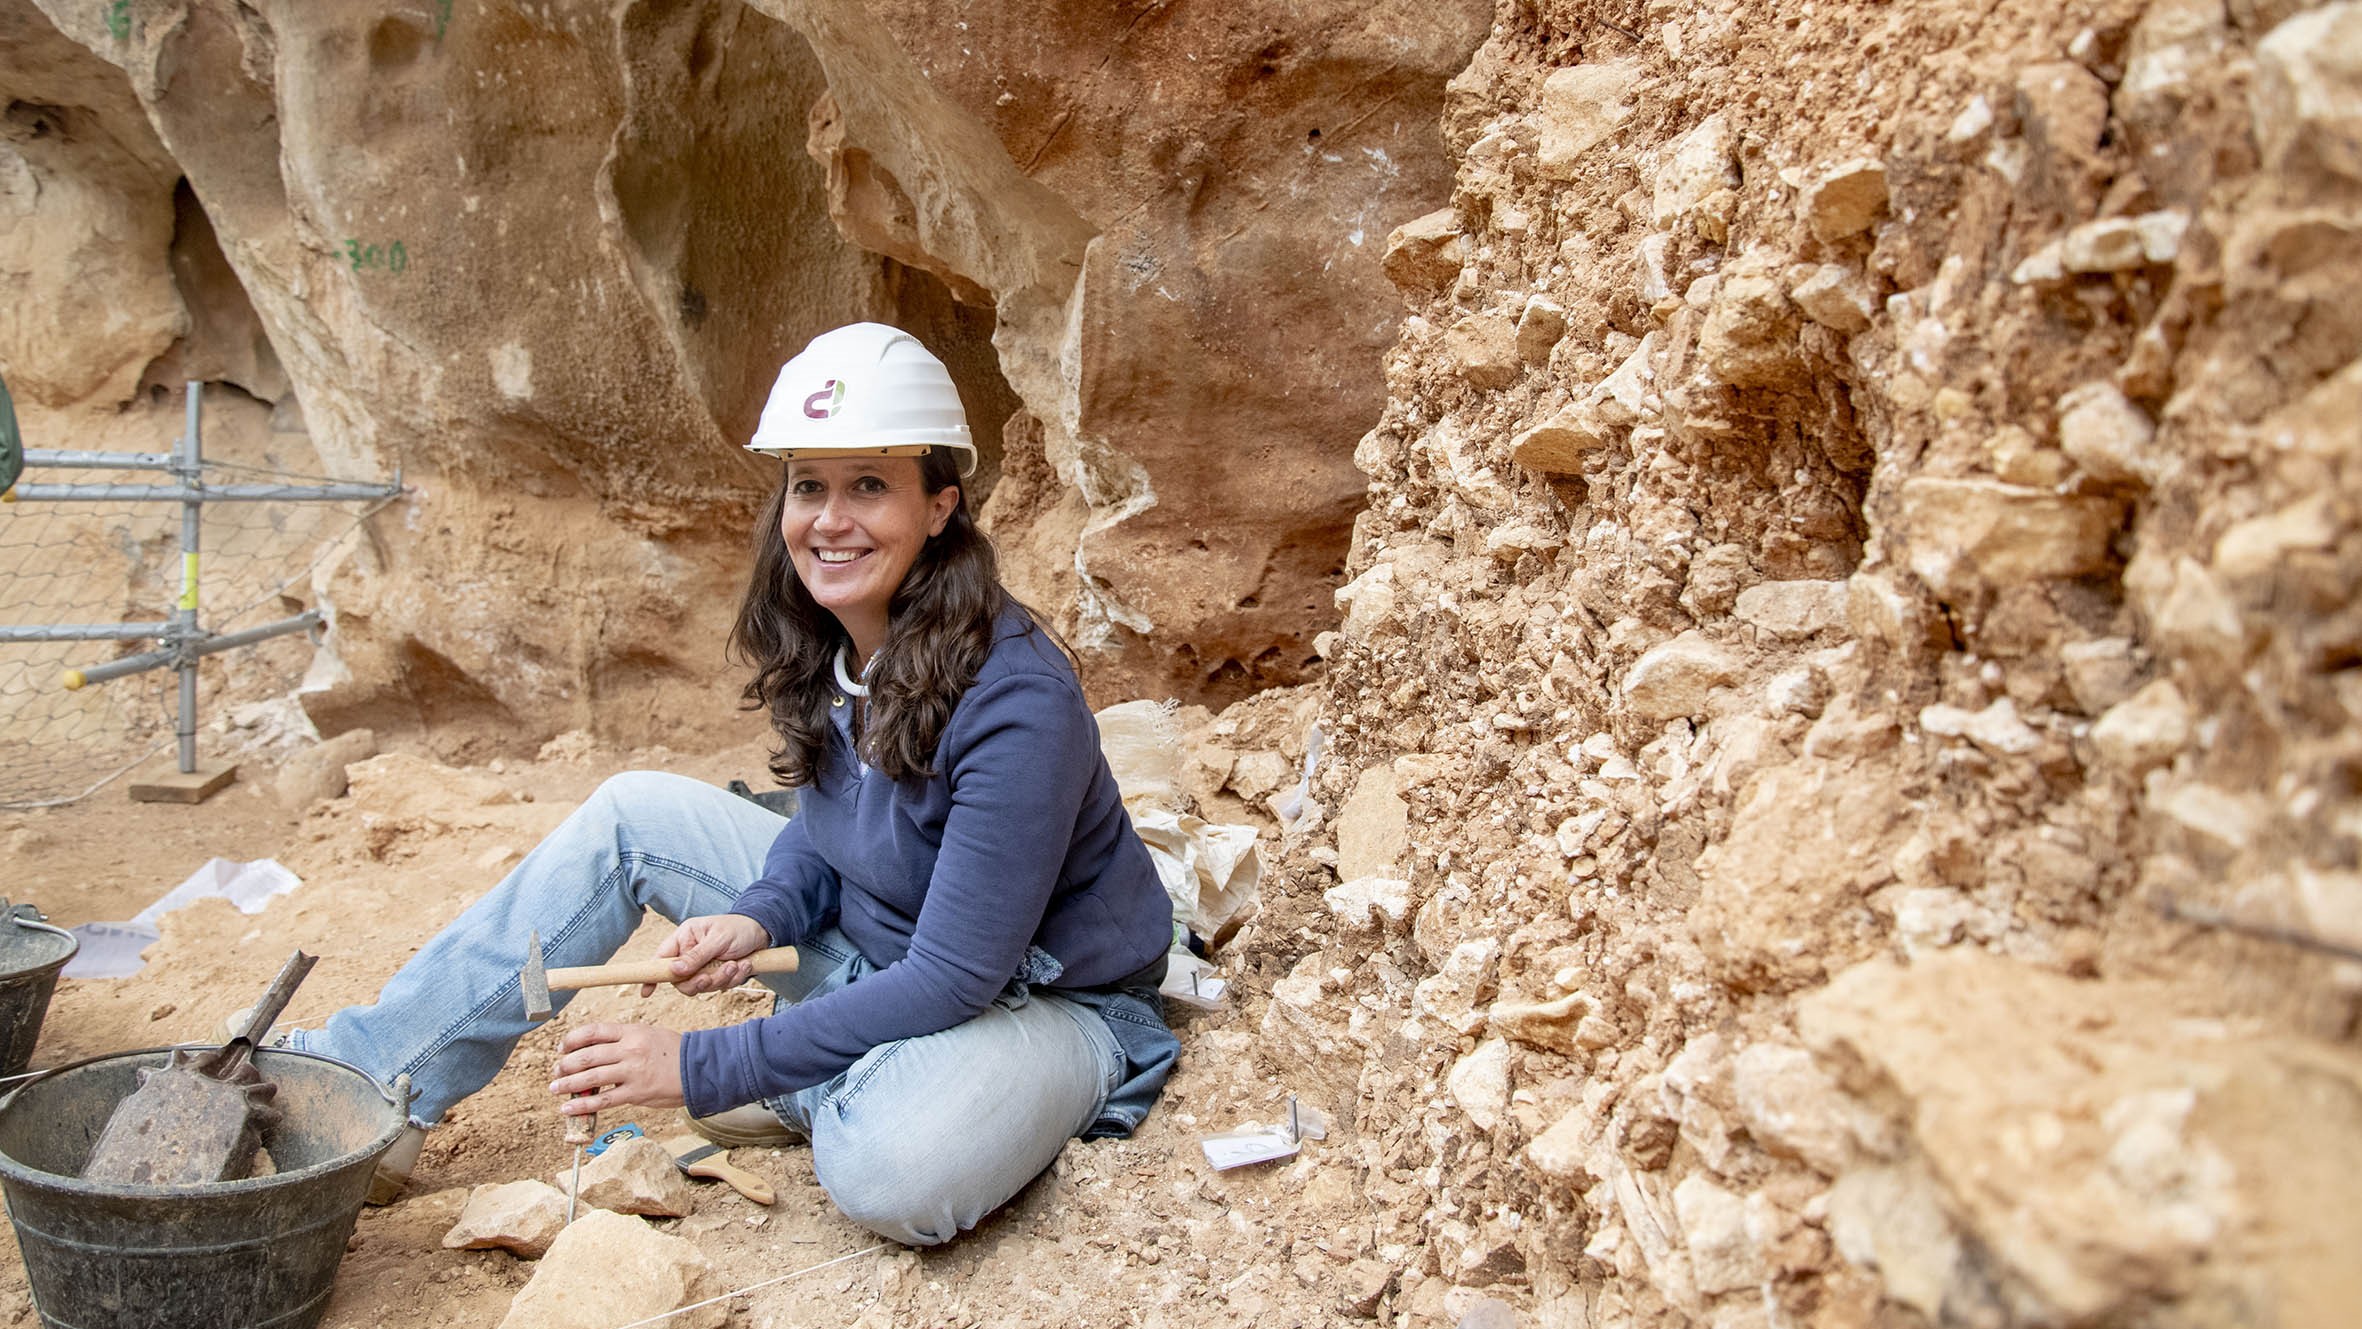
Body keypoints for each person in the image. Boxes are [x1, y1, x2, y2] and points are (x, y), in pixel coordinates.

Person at [277, 323, 1179, 1246]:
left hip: (1040, 997)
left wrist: (705, 1065)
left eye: (870, 484)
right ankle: (369, 1088)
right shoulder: (844, 632)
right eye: (810, 487)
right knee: (632, 814)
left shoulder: (1016, 697)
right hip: (888, 950)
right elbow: (831, 828)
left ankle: (828, 1079)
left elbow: (954, 975)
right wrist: (761, 914)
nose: (831, 519)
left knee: (891, 1170)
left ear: (941, 505)